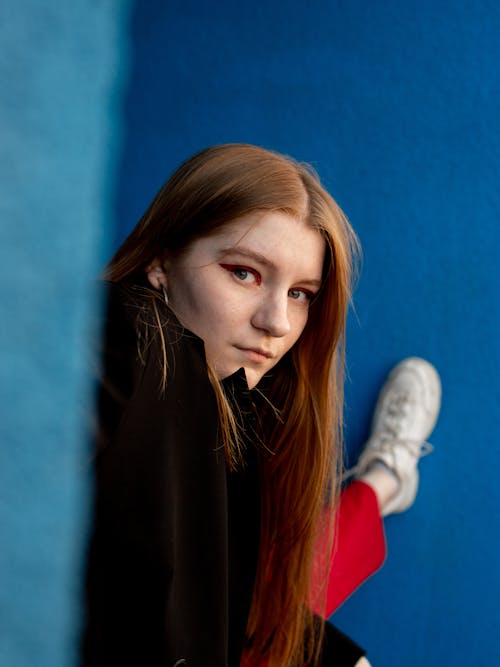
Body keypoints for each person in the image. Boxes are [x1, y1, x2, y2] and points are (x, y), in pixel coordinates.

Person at [82, 143, 441, 667]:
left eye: (301, 293)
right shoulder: (132, 331)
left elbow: (232, 599)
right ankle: (384, 480)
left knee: (283, 576)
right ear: (161, 261)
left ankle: (383, 481)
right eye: (243, 272)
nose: (277, 322)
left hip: (224, 620)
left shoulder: (238, 397)